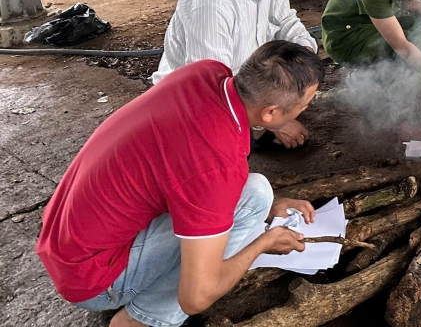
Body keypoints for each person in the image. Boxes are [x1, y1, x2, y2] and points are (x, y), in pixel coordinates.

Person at [37, 42, 326, 327]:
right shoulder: (217, 165)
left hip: (66, 240)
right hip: (93, 279)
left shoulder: (207, 73)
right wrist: (263, 243)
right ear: (270, 113)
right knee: (245, 210)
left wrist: (266, 212)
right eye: (305, 103)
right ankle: (139, 320)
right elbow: (196, 298)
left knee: (256, 197)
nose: (307, 107)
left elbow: (186, 172)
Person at [153, 0, 318, 149]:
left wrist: (305, 55)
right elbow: (211, 87)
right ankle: (253, 132)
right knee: (233, 148)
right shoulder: (211, 2)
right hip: (197, 102)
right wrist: (273, 123)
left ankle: (259, 125)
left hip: (245, 82)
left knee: (299, 91)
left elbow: (285, 21)